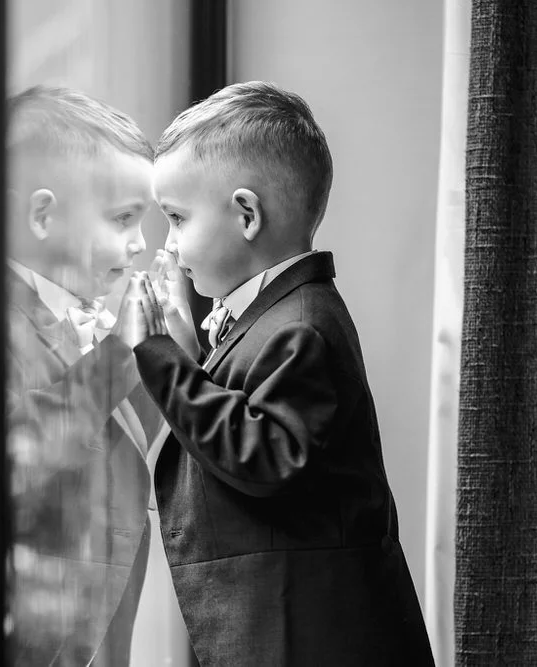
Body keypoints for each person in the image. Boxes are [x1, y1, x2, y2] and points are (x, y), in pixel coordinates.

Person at [123, 81, 435, 666]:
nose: (167, 245)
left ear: (246, 215)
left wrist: (161, 359)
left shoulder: (302, 328)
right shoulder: (274, 318)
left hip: (318, 639)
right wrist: (194, 361)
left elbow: (264, 455)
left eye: (176, 218)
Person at [0, 84, 182, 666]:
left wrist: (163, 354)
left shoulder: (85, 313)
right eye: (123, 219)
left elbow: (117, 438)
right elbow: (6, 464)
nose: (139, 244)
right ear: (41, 216)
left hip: (92, 631)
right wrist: (117, 357)